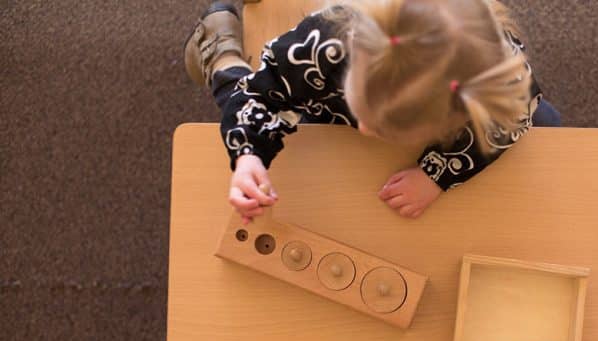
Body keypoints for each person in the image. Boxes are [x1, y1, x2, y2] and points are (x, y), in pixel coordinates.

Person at [184, 0, 561, 222]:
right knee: (252, 105)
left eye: (385, 128)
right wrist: (249, 158)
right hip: (324, 100)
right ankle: (220, 55)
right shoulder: (325, 42)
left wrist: (436, 175)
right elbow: (260, 96)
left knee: (546, 126)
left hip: (458, 113)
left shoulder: (500, 79)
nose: (365, 129)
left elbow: (511, 119)